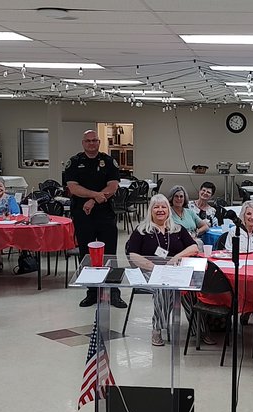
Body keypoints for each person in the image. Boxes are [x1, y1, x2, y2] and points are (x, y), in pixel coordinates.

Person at [126, 194, 200, 346]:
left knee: (191, 288)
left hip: (175, 271)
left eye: (164, 206)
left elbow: (194, 247)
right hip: (149, 272)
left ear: (168, 210)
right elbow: (132, 254)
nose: (160, 210)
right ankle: (158, 329)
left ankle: (198, 329)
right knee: (164, 288)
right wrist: (155, 268)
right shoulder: (141, 230)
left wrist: (176, 258)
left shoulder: (178, 229)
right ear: (151, 210)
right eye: (156, 207)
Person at [64, 129, 125, 308]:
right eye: (88, 141)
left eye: (94, 141)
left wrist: (92, 200)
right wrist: (95, 195)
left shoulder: (108, 161)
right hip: (83, 216)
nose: (91, 144)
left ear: (99, 142)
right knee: (87, 256)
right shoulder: (74, 162)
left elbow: (113, 186)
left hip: (105, 214)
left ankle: (113, 292)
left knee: (110, 255)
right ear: (83, 143)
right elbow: (73, 188)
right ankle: (92, 292)